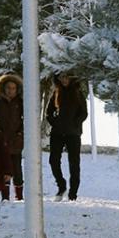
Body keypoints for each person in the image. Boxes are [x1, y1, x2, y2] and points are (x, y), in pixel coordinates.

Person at [45, 73, 88, 201]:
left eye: (66, 77)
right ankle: (61, 184)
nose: (64, 80)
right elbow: (49, 112)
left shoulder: (78, 93)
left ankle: (73, 194)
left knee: (74, 164)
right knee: (53, 161)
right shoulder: (56, 92)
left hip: (73, 134)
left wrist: (75, 123)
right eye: (61, 77)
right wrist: (55, 122)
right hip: (57, 133)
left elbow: (84, 113)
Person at [0, 74, 24, 201]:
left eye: (13, 88)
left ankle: (19, 196)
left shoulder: (20, 102)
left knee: (17, 169)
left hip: (16, 141)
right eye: (8, 87)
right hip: (1, 141)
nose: (10, 90)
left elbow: (27, 119)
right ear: (3, 88)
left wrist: (21, 134)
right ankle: (5, 197)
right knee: (3, 169)